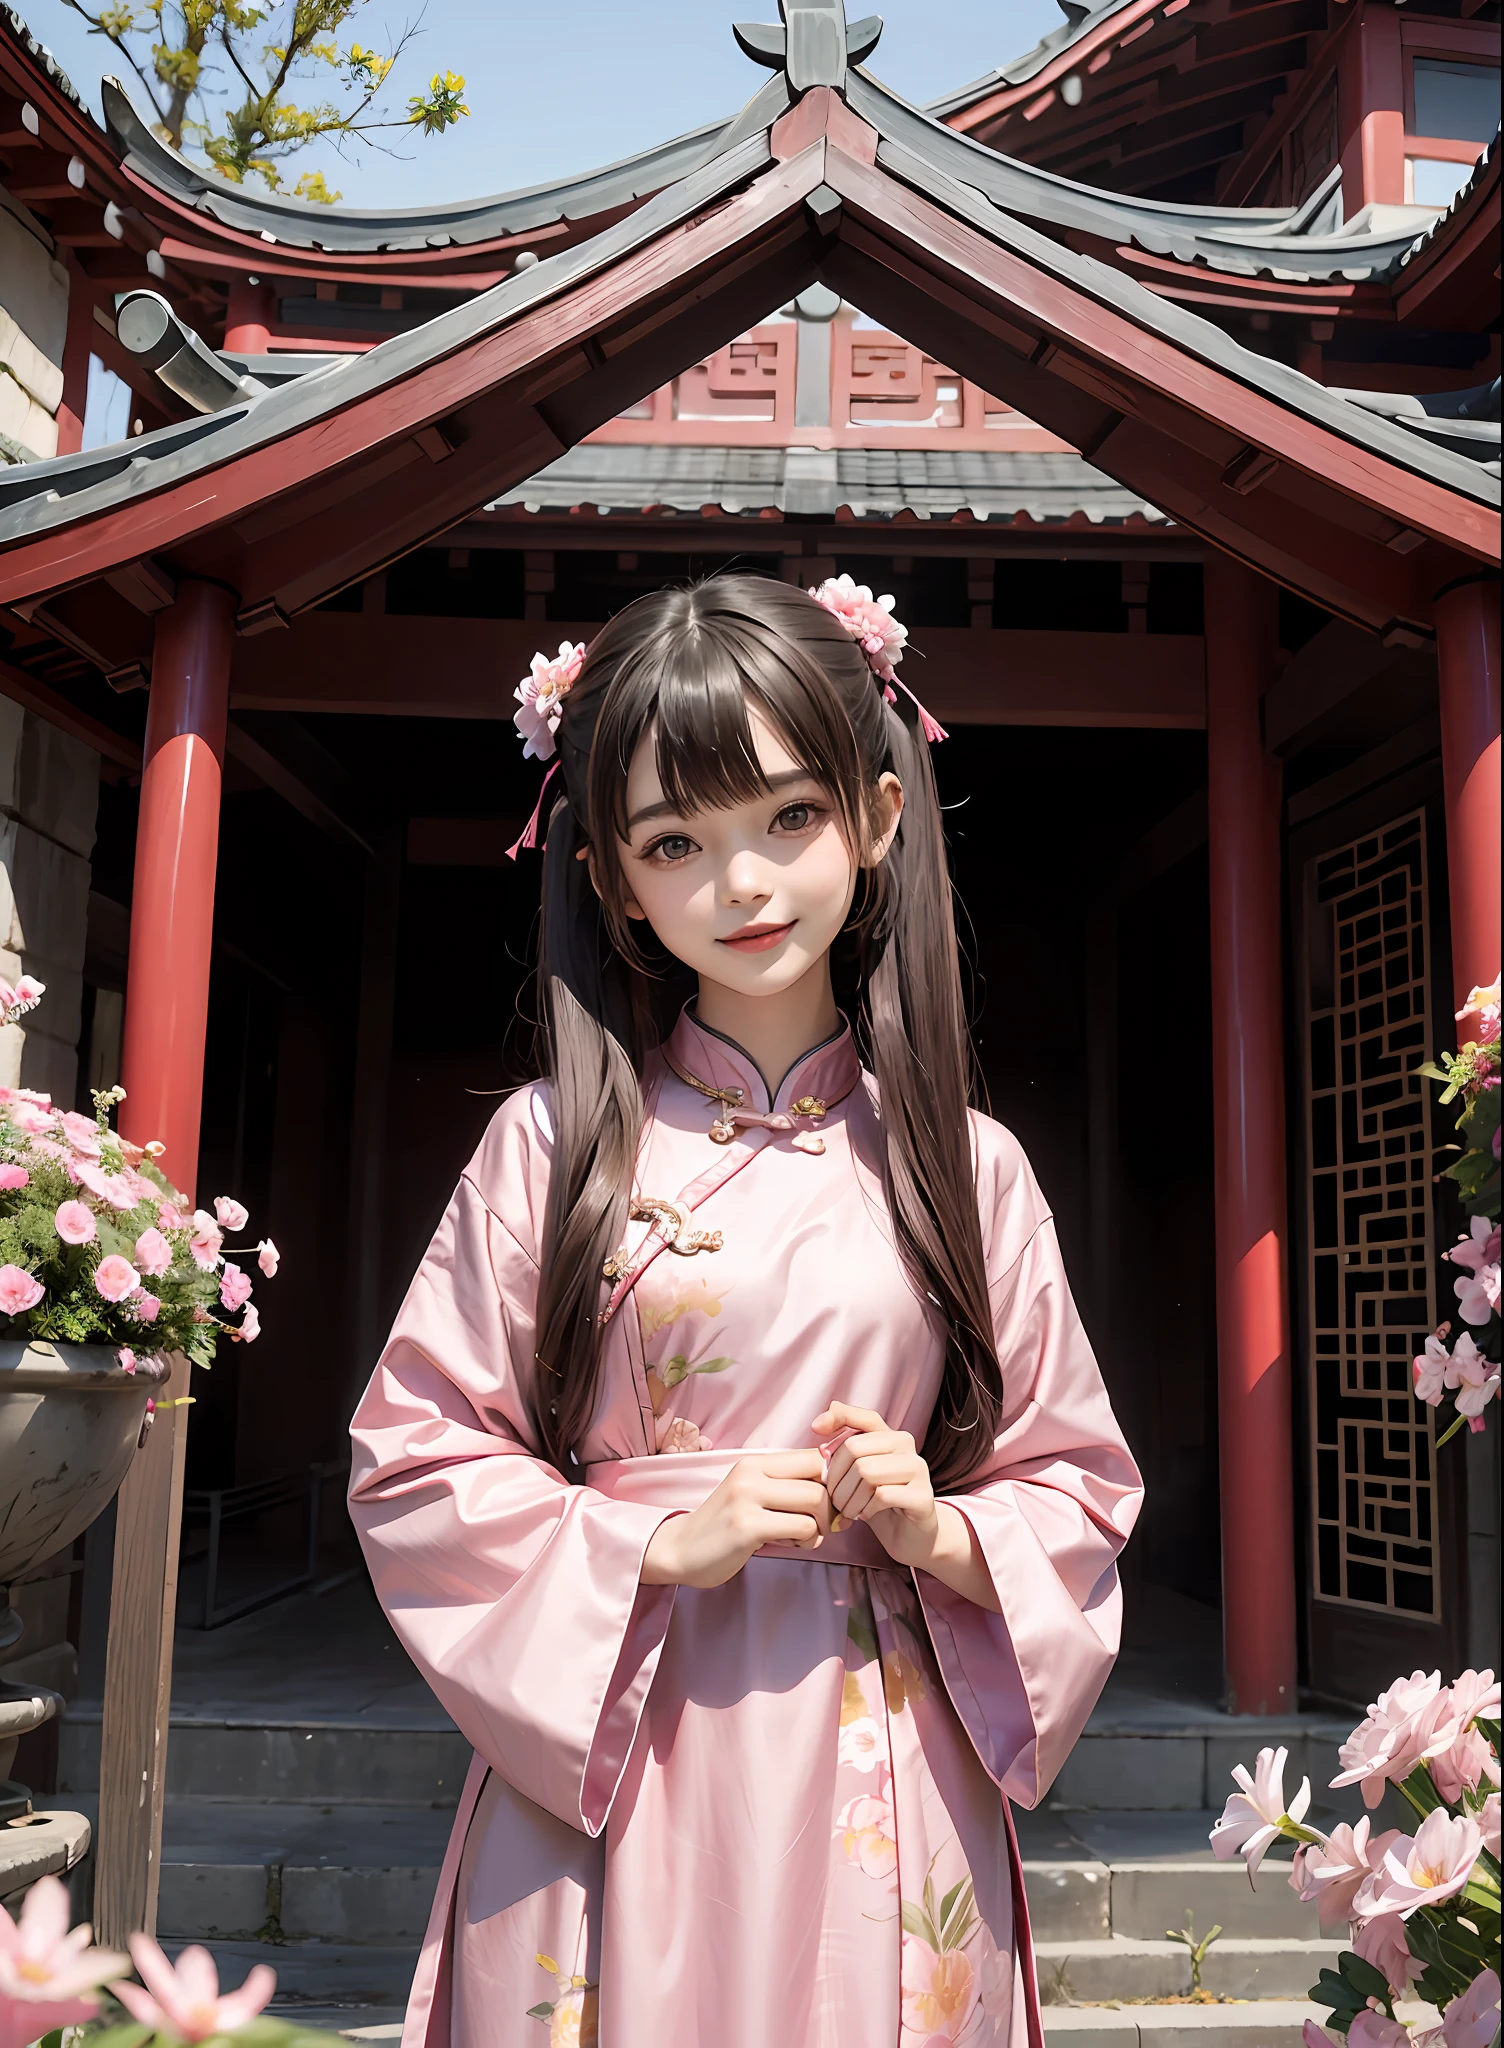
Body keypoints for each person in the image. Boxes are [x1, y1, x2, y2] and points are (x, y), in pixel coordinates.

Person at [348, 573, 1142, 2048]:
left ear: (881, 820)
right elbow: (415, 1459)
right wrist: (656, 1538)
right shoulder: (552, 1145)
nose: (744, 882)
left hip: (887, 1754)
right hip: (623, 1743)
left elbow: (1078, 1482)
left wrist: (940, 1526)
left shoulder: (969, 1169)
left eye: (789, 817)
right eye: (677, 842)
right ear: (613, 882)